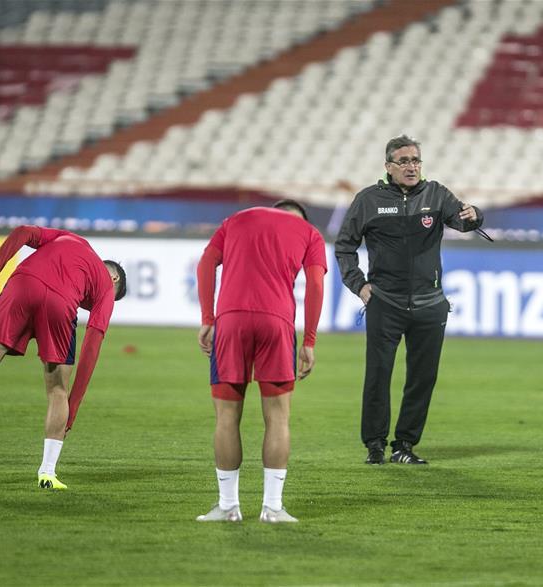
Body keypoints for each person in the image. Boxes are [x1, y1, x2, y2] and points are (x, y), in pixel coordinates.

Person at [0, 225, 127, 490]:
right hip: (60, 304)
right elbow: (92, 346)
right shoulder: (105, 287)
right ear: (114, 279)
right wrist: (73, 410)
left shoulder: (70, 238)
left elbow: (22, 232)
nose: (90, 305)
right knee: (58, 391)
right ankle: (47, 472)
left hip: (22, 285)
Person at [335, 135, 484, 466]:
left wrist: (476, 215)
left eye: (416, 160)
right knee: (378, 374)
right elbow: (344, 246)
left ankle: (404, 445)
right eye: (403, 161)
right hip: (384, 302)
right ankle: (375, 444)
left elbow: (463, 219)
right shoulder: (368, 200)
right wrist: (359, 286)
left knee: (422, 378)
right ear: (388, 166)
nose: (411, 166)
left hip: (430, 305)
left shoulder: (436, 194)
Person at [195, 199, 326, 523]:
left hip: (231, 320)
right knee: (278, 418)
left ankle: (228, 507)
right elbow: (316, 285)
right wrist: (309, 341)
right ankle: (272, 507)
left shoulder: (237, 220)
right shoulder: (309, 233)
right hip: (276, 322)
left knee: (226, 418)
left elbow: (205, 264)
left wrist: (208, 318)